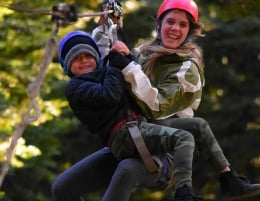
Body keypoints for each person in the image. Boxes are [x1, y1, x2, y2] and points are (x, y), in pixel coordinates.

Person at [109, 0, 260, 200]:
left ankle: (212, 183)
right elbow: (116, 62)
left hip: (165, 142)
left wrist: (128, 66)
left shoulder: (187, 69)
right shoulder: (145, 55)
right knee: (63, 187)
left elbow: (156, 107)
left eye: (183, 25)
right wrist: (112, 25)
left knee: (198, 126)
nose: (175, 29)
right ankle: (227, 178)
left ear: (189, 31)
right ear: (159, 25)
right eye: (170, 22)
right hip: (133, 130)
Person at [52, 30, 201, 201]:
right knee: (62, 188)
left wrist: (126, 56)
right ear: (67, 65)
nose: (84, 60)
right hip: (125, 148)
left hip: (157, 155)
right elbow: (109, 94)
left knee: (127, 169)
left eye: (88, 55)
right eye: (77, 58)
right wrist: (116, 64)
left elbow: (138, 78)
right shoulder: (78, 88)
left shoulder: (112, 71)